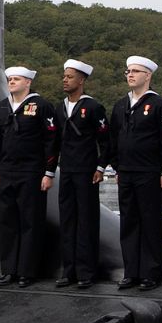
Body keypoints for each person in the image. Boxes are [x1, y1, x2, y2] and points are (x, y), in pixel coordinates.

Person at [108, 56, 162, 291]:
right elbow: (113, 138)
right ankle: (132, 272)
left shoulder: (159, 105)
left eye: (136, 71)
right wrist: (116, 166)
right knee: (129, 223)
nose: (130, 75)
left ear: (147, 75)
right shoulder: (121, 105)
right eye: (128, 71)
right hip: (126, 172)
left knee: (151, 223)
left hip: (149, 172)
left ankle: (151, 273)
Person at [0, 65, 58, 288]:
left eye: (16, 79)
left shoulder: (41, 106)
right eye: (10, 79)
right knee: (8, 222)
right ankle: (9, 269)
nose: (12, 82)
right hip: (7, 171)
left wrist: (48, 172)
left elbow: (51, 141)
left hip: (31, 171)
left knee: (30, 222)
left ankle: (27, 271)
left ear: (28, 82)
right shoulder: (3, 107)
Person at [56, 59, 107, 289]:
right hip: (66, 170)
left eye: (70, 77)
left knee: (86, 222)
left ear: (81, 80)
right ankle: (70, 270)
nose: (65, 80)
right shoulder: (60, 108)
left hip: (86, 172)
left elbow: (106, 141)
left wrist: (100, 167)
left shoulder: (94, 107)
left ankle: (86, 271)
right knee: (67, 221)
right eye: (64, 76)